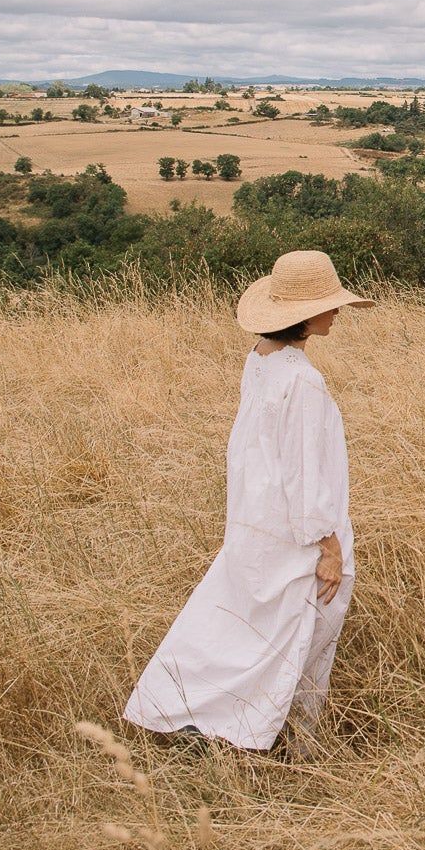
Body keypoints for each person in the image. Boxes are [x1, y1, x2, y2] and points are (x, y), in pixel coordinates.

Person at [124, 250, 374, 757]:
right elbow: (304, 469)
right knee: (299, 629)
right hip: (294, 528)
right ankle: (282, 737)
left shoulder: (260, 357)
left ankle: (191, 710)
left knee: (238, 621)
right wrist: (327, 546)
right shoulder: (302, 379)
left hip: (256, 519)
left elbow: (252, 449)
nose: (337, 312)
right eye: (329, 304)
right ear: (303, 316)